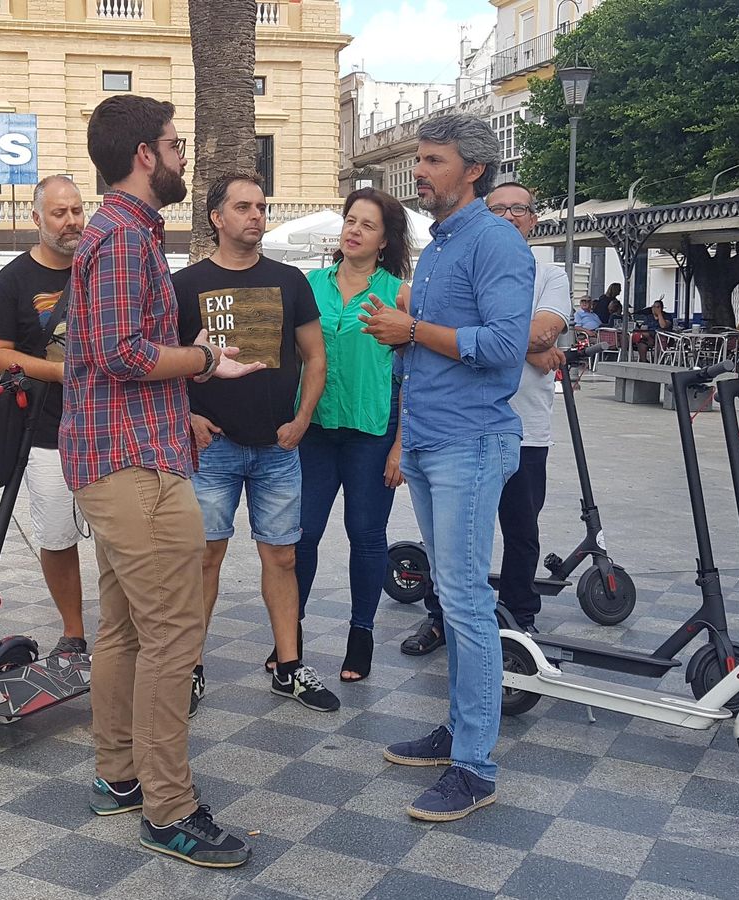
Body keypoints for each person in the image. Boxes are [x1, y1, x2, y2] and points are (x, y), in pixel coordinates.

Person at [62, 93, 260, 868]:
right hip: (131, 469)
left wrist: (183, 405)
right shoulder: (119, 238)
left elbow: (122, 357)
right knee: (175, 635)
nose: (183, 157)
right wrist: (209, 361)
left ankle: (118, 778)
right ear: (145, 153)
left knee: (127, 630)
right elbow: (120, 353)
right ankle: (167, 809)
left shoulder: (127, 233)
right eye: (176, 145)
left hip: (131, 453)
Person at [358, 114, 532, 823]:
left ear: (473, 171)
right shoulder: (439, 246)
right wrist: (402, 339)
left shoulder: (495, 242)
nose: (419, 171)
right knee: (454, 600)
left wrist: (412, 330)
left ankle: (476, 768)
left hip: (470, 442)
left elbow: (503, 345)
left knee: (464, 605)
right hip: (431, 440)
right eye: (420, 159)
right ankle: (459, 732)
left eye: (433, 161)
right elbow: (432, 349)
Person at [173, 173, 336, 714]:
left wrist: (303, 419)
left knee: (283, 556)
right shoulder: (185, 284)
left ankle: (289, 666)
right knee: (204, 559)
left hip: (278, 447)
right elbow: (166, 364)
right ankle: (190, 667)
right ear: (216, 217)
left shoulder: (290, 281)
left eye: (261, 207)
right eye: (242, 207)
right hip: (212, 448)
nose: (255, 216)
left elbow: (315, 358)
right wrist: (190, 413)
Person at [399, 183, 568, 654]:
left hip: (524, 427)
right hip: (455, 425)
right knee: (455, 554)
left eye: (520, 209)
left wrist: (506, 341)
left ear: (533, 219)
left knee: (519, 530)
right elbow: (523, 341)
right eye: (499, 208)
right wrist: (520, 345)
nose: (509, 216)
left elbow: (529, 334)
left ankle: (520, 622)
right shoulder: (452, 254)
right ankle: (439, 620)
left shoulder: (550, 274)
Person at [294, 187, 412, 683]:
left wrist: (402, 444)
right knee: (301, 535)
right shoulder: (307, 285)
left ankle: (360, 634)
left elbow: (417, 375)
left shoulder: (399, 294)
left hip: (371, 433)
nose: (354, 230)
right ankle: (289, 633)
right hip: (313, 429)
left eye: (367, 224)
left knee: (366, 536)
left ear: (384, 241)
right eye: (350, 220)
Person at [0, 174, 89, 656]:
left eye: (77, 211)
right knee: (58, 537)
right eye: (59, 213)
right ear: (37, 218)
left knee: (119, 540)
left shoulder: (104, 268)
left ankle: (129, 637)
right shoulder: (13, 280)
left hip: (109, 431)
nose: (71, 222)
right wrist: (61, 372)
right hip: (45, 434)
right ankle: (74, 631)